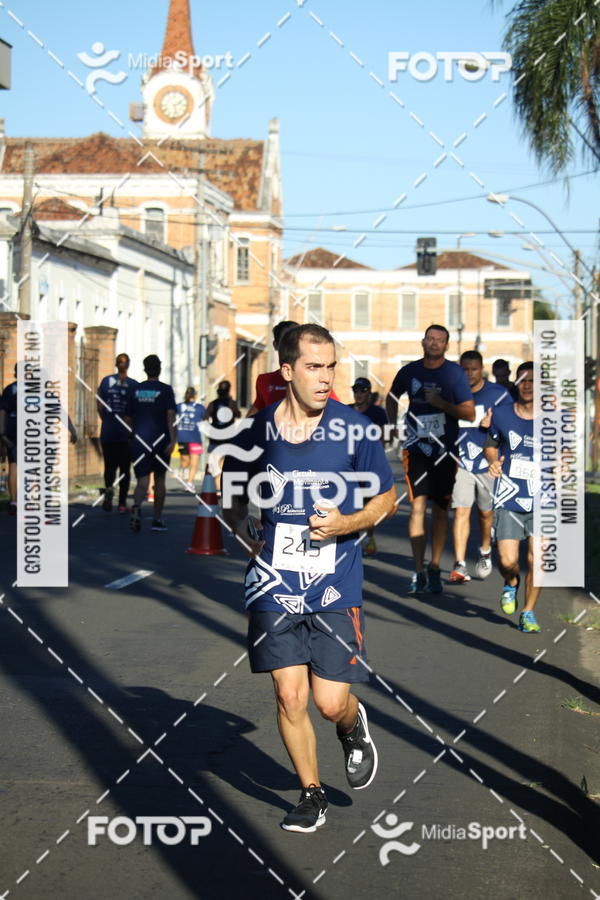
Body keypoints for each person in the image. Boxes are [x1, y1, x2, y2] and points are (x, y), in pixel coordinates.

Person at [221, 323, 396, 834]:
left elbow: (385, 498)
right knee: (289, 695)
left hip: (334, 582)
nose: (325, 378)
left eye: (331, 367)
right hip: (274, 580)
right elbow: (233, 485)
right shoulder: (260, 431)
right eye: (314, 367)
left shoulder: (354, 429)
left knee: (327, 701)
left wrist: (347, 523)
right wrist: (239, 525)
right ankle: (311, 793)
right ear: (288, 370)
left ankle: (351, 723)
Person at [386, 325, 475, 595]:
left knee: (439, 511)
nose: (434, 344)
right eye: (430, 339)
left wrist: (442, 404)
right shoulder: (410, 371)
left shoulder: (454, 373)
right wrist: (392, 425)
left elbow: (469, 413)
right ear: (423, 342)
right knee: (416, 507)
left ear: (447, 346)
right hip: (416, 449)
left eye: (440, 341)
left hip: (445, 451)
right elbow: (392, 396)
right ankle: (417, 570)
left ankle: (435, 566)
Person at [483, 362, 542, 632]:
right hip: (510, 496)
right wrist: (493, 461)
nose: (528, 385)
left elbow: (567, 451)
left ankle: (528, 612)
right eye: (523, 380)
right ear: (516, 384)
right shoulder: (503, 415)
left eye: (533, 380)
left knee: (537, 559)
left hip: (544, 498)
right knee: (508, 561)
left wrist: (565, 463)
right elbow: (491, 446)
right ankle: (511, 582)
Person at [449, 351, 512, 583]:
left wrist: (493, 422)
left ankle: (485, 550)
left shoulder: (498, 395)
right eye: (464, 369)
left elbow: (512, 423)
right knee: (461, 511)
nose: (468, 374)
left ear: (481, 369)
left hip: (487, 462)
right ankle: (459, 564)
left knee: (485, 514)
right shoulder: (453, 394)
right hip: (461, 462)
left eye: (473, 369)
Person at [0, 364, 77, 515]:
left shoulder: (11, 389)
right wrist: (72, 429)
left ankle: (14, 501)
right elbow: (59, 411)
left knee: (14, 465)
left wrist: (2, 433)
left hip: (13, 429)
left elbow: (3, 410)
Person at [128, 354, 176, 533]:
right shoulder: (165, 390)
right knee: (160, 479)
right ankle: (156, 518)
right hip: (160, 440)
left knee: (142, 480)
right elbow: (170, 415)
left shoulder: (135, 390)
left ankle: (137, 506)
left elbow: (127, 417)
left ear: (144, 368)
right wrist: (172, 440)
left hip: (140, 440)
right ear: (160, 368)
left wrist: (132, 436)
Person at [348, 376, 389, 555]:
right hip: (349, 463)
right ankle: (352, 539)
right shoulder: (347, 410)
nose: (358, 394)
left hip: (370, 464)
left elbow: (386, 437)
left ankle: (369, 538)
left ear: (369, 394)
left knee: (369, 504)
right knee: (350, 501)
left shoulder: (377, 413)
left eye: (363, 390)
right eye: (356, 390)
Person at [97, 353, 138, 513]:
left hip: (108, 431)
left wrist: (108, 419)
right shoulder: (134, 385)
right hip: (126, 434)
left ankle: (108, 496)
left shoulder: (106, 382)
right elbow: (135, 411)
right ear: (128, 365)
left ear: (116, 364)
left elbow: (99, 406)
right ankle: (121, 503)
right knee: (125, 470)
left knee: (109, 468)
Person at [247, 320, 299, 415]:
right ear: (275, 345)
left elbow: (333, 409)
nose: (292, 344)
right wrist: (243, 429)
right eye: (286, 341)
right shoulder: (264, 381)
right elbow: (256, 410)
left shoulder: (314, 377)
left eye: (296, 340)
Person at [176, 386, 205, 489]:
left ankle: (187, 480)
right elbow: (205, 419)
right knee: (191, 462)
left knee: (187, 460)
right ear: (195, 395)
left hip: (184, 437)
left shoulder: (179, 406)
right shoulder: (199, 407)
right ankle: (186, 478)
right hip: (192, 438)